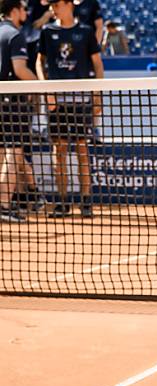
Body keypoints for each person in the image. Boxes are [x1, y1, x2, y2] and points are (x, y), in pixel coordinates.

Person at [35, 0, 102, 218]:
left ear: (68, 5)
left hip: (81, 101)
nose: (53, 8)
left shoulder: (85, 31)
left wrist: (97, 95)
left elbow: (97, 63)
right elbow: (39, 62)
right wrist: (47, 90)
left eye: (57, 4)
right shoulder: (47, 31)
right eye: (51, 4)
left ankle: (85, 202)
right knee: (59, 151)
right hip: (57, 103)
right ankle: (63, 203)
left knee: (83, 150)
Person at [1, 0, 36, 223]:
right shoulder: (15, 34)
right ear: (14, 11)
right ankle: (4, 206)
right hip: (12, 102)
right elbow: (20, 69)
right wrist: (42, 87)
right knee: (13, 153)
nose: (25, 13)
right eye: (23, 9)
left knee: (2, 154)